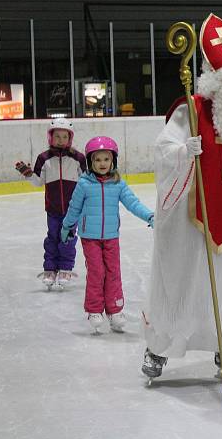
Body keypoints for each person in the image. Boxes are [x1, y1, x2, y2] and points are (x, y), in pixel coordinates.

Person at [142, 13, 222, 382]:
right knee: (180, 278)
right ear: (210, 77)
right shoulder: (189, 110)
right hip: (190, 215)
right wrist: (185, 151)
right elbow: (163, 150)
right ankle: (158, 348)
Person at [60, 136, 154, 334]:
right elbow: (74, 207)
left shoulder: (118, 184)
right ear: (90, 162)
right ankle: (94, 310)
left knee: (113, 272)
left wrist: (149, 216)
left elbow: (133, 203)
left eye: (106, 159)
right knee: (96, 272)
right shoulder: (84, 184)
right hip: (90, 238)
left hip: (111, 236)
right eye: (97, 160)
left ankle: (115, 310)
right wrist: (67, 226)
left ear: (113, 161)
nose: (102, 164)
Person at [15, 118, 87, 290]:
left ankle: (65, 268)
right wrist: (28, 173)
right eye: (57, 136)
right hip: (53, 208)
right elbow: (39, 181)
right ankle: (50, 269)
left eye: (64, 136)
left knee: (67, 238)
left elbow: (85, 180)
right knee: (53, 237)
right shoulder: (44, 158)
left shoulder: (78, 158)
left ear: (70, 138)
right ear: (50, 137)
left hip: (72, 209)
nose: (61, 140)